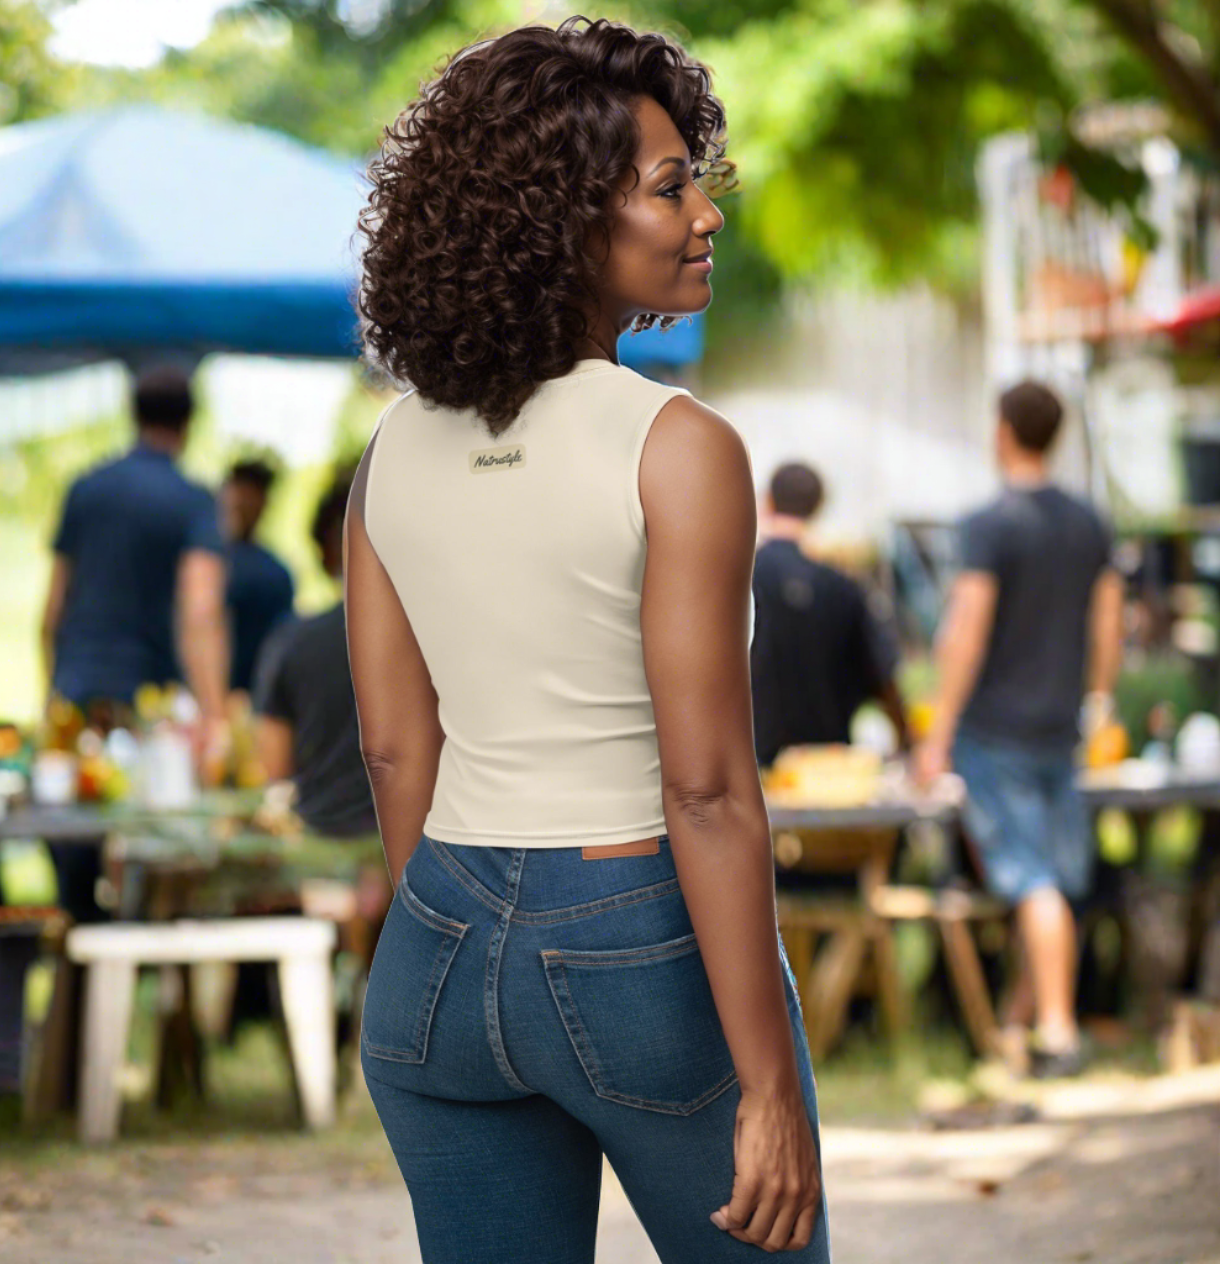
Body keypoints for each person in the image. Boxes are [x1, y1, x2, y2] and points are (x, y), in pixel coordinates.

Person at [345, 19, 827, 1262]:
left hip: (435, 940)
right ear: (562, 218)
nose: (707, 213)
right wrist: (768, 1086)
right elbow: (708, 787)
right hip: (638, 934)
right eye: (671, 187)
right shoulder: (677, 445)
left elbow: (398, 752)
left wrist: (459, 940)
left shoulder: (389, 452)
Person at [915, 380, 1124, 1078]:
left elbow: (966, 634)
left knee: (1031, 881)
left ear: (1003, 431)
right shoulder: (1089, 521)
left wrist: (938, 732)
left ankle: (1056, 1033)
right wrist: (1099, 699)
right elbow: (1108, 622)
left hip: (995, 729)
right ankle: (1016, 1025)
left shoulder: (989, 523)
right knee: (1055, 887)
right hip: (1060, 726)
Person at [41, 364, 229, 753]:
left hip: (77, 694)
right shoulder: (193, 500)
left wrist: (51, 695)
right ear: (188, 423)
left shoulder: (85, 488)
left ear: (134, 416)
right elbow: (201, 610)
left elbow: (52, 611)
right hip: (148, 705)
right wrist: (213, 715)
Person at [753, 461, 910, 767]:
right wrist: (908, 744)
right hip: (827, 770)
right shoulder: (845, 588)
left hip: (750, 765)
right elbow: (883, 676)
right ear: (818, 507)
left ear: (767, 501)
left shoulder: (737, 581)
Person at [253, 478, 378, 841]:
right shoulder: (442, 639)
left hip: (319, 844)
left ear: (325, 554)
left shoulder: (291, 643)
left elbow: (273, 769)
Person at [223, 458, 295, 695]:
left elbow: (280, 646)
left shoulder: (276, 574)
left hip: (253, 696)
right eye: (240, 494)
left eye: (253, 496)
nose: (245, 504)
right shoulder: (204, 563)